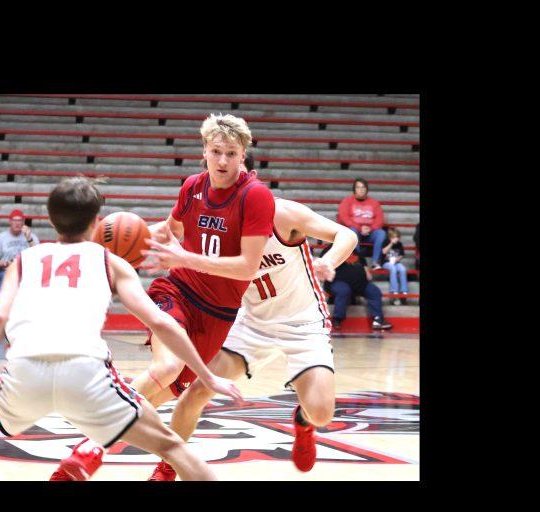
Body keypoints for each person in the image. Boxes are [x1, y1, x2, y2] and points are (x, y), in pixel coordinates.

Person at [48, 112, 276, 481]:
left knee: (157, 397)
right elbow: (169, 231)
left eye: (231, 154)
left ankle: (147, 462)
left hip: (217, 314)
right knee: (167, 367)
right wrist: (107, 248)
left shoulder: (256, 196)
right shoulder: (192, 187)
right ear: (204, 151)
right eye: (216, 152)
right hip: (178, 292)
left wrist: (186, 257)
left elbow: (247, 267)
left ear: (243, 156)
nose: (222, 161)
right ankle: (86, 451)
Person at [0, 177, 243, 482]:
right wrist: (207, 376)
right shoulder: (110, 262)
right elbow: (160, 322)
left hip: (25, 370)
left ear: (50, 219)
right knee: (172, 447)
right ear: (96, 222)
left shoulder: (24, 260)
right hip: (87, 374)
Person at [143, 196, 359, 479]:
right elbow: (172, 229)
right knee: (196, 392)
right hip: (251, 323)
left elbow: (347, 235)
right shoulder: (220, 224)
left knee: (321, 414)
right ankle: (167, 469)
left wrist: (328, 261)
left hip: (302, 323)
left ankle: (303, 420)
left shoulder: (283, 213)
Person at [322, 245, 393, 330]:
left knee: (374, 291)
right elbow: (322, 267)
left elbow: (364, 265)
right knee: (343, 290)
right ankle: (337, 319)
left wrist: (366, 274)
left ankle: (378, 320)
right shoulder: (329, 250)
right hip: (337, 282)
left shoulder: (355, 250)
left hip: (360, 283)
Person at [336, 178, 386, 270]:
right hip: (354, 231)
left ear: (367, 189)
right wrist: (359, 228)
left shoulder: (374, 203)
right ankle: (358, 261)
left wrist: (370, 228)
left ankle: (375, 262)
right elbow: (344, 218)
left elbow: (380, 219)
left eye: (363, 187)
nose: (361, 189)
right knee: (353, 231)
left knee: (381, 233)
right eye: (358, 187)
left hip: (370, 233)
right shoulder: (347, 201)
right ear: (354, 189)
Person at [0, 209, 39, 293]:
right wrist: (5, 263)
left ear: (23, 222)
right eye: (14, 220)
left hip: (27, 273)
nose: (17, 223)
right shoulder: (0, 238)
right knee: (5, 279)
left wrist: (29, 239)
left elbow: (40, 256)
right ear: (10, 222)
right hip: (7, 272)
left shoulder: (32, 237)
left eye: (19, 220)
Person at [380, 227, 408, 305]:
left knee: (402, 269)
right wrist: (391, 243)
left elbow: (401, 254)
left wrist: (397, 259)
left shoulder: (399, 244)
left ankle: (404, 291)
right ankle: (394, 291)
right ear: (390, 237)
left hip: (396, 262)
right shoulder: (385, 241)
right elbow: (384, 252)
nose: (396, 239)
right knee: (393, 268)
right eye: (394, 237)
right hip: (386, 262)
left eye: (397, 237)